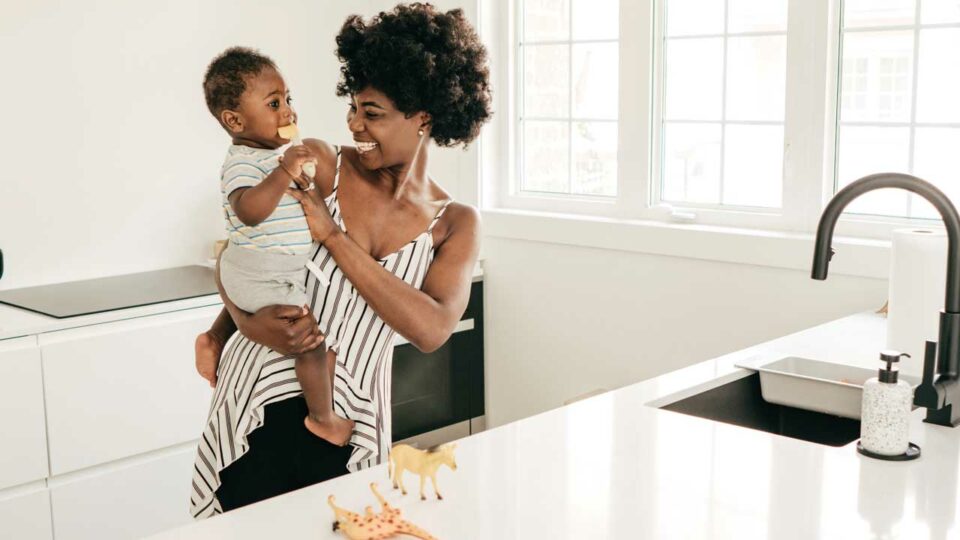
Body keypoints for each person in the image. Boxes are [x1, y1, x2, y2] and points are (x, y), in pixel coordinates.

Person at [189, 3, 491, 518]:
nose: (353, 123)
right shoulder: (320, 163)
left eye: (371, 113)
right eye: (353, 107)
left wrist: (331, 235)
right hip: (258, 400)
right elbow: (246, 252)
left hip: (350, 425)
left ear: (424, 118)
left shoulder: (454, 223)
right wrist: (232, 325)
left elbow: (433, 328)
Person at [198, 47, 354, 448]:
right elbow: (248, 211)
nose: (288, 111)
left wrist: (296, 175)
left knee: (311, 341)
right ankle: (323, 418)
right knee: (308, 340)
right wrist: (285, 171)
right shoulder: (243, 162)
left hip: (269, 269)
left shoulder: (272, 158)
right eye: (273, 103)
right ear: (234, 120)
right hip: (261, 271)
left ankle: (215, 338)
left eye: (288, 99)